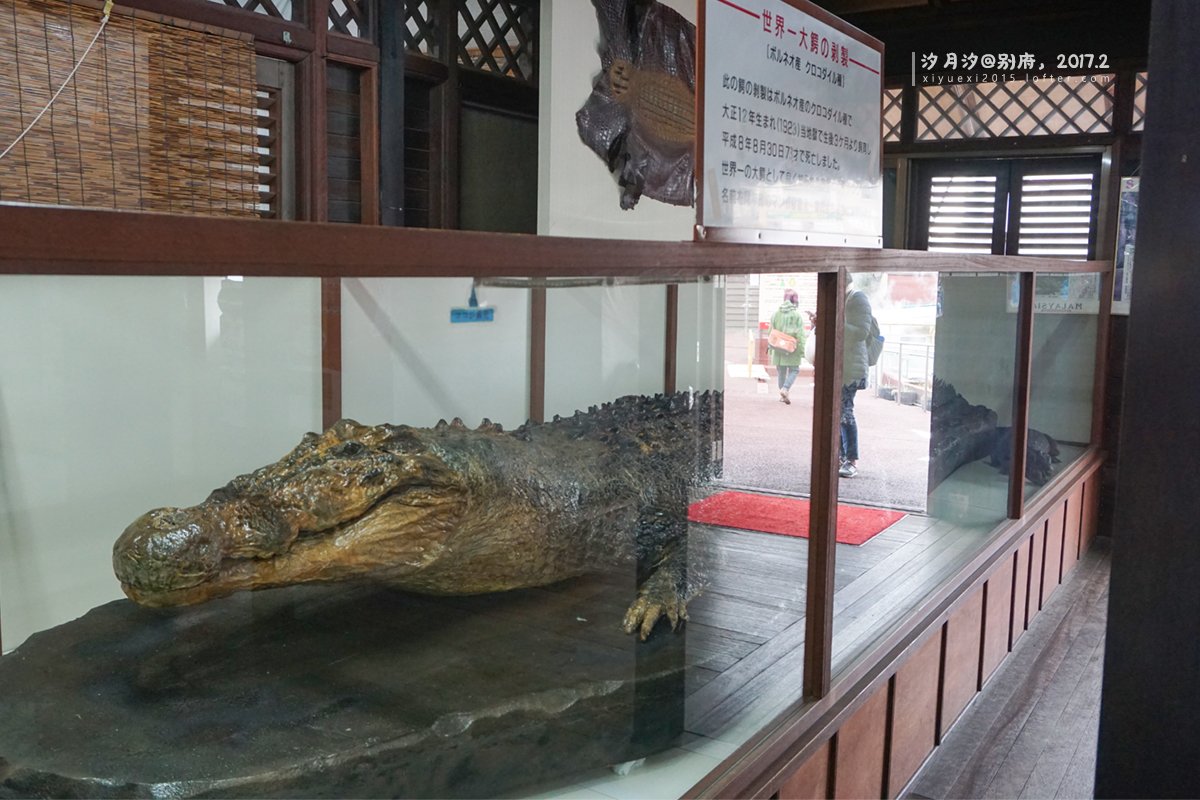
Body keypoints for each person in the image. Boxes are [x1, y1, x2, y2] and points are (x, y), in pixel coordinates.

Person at [839, 275, 873, 478]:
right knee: (838, 413)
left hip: (851, 368)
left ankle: (851, 460)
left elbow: (862, 332)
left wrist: (836, 321)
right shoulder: (844, 299)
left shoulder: (857, 298)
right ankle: (842, 456)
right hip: (841, 365)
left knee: (845, 412)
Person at [769, 289, 806, 405]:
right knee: (794, 370)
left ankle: (783, 395)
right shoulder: (796, 315)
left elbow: (771, 332)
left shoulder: (775, 314)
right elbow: (800, 335)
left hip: (778, 348)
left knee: (781, 372)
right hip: (792, 348)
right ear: (795, 300)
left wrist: (771, 348)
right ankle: (785, 389)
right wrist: (802, 350)